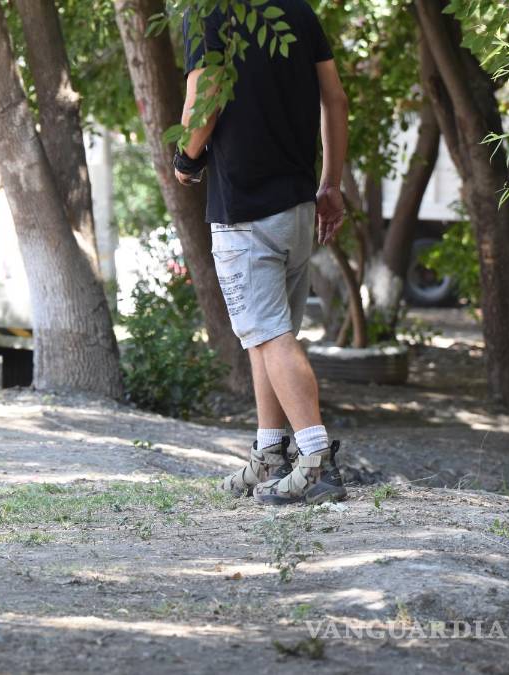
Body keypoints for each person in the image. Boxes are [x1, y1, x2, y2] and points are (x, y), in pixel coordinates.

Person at [174, 0, 350, 505]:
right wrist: (330, 185)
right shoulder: (296, 10)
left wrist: (186, 157)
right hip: (297, 206)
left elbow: (202, 99)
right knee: (266, 335)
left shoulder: (206, 14)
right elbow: (335, 100)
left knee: (270, 336)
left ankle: (315, 460)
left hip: (245, 211)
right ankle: (271, 454)